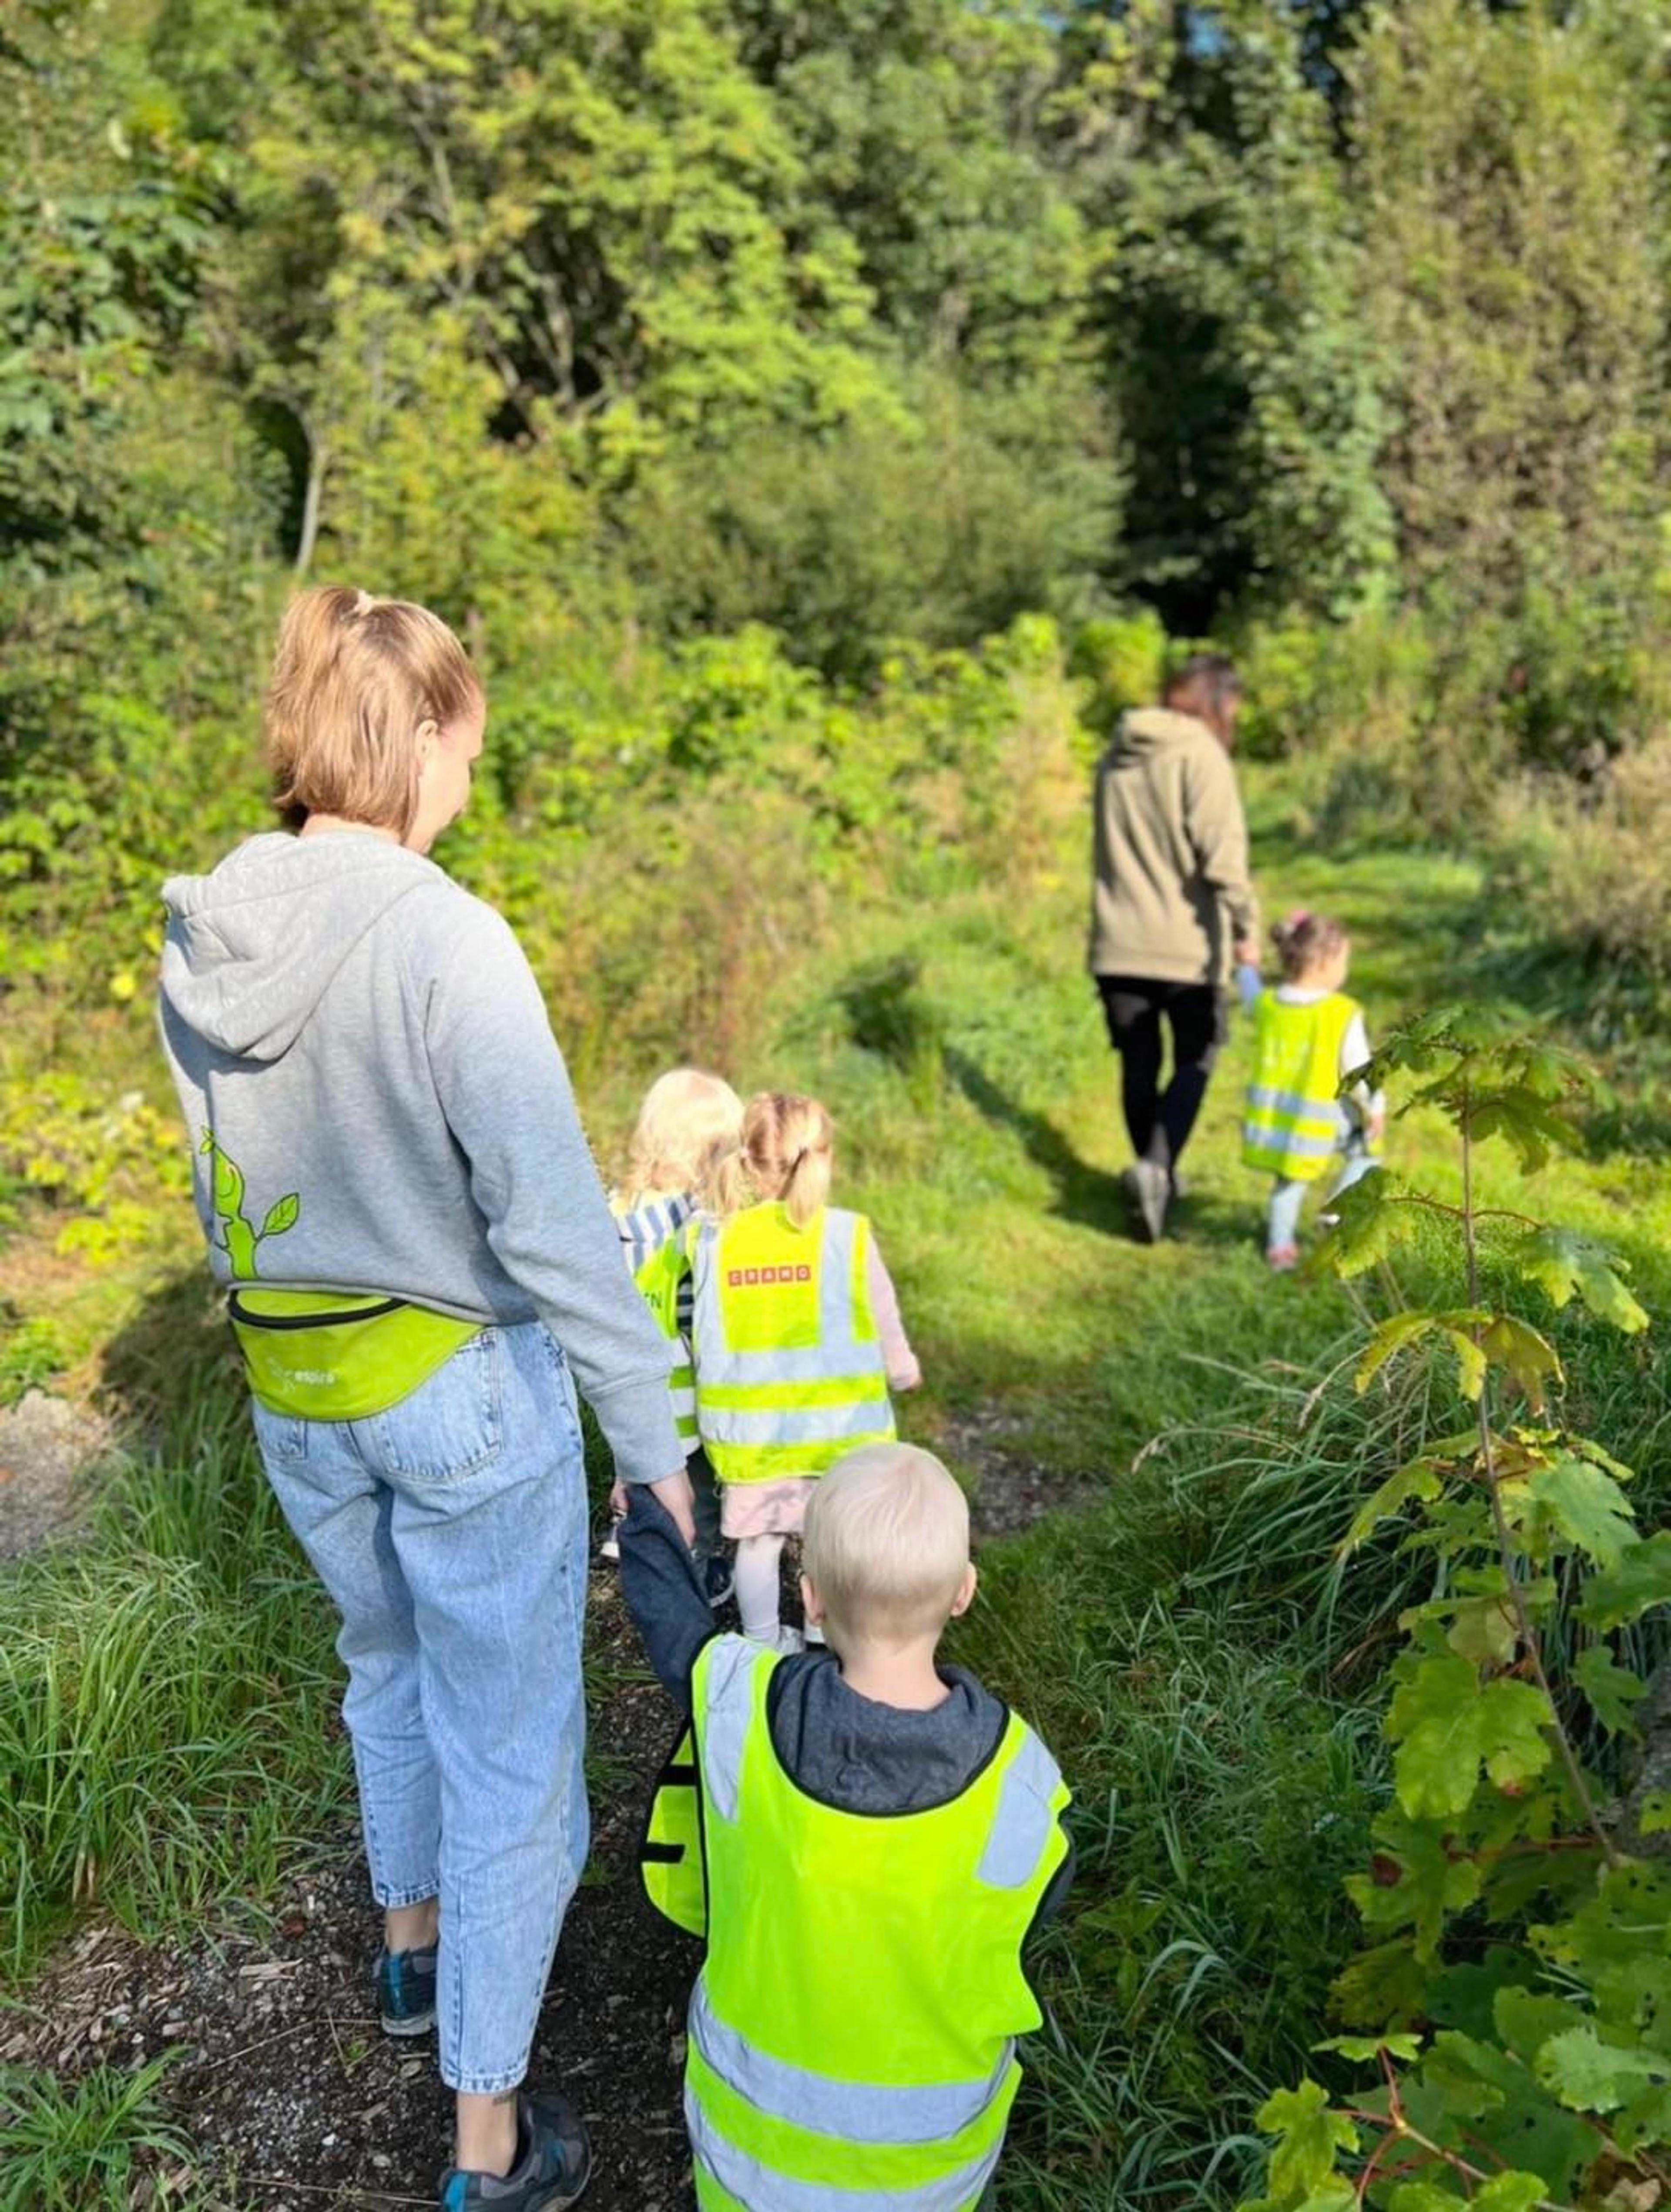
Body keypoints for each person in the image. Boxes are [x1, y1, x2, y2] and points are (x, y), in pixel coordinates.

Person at [158, 585, 695, 2212]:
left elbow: (217, 1190)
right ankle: (488, 2144)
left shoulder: (205, 932)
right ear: (423, 732)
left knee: (382, 1666)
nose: (474, 767)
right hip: (454, 1395)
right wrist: (656, 1452)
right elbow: (550, 1227)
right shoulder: (443, 935)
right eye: (467, 734)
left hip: (293, 1387)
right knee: (516, 1757)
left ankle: (409, 1957)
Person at [619, 1442, 1072, 2212]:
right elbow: (1031, 1919)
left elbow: (673, 1623)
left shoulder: (740, 1711)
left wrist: (648, 1515)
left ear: (812, 1596)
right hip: (932, 2170)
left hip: (751, 2163)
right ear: (964, 1592)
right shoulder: (1022, 1783)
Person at [686, 1090, 919, 1651]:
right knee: (827, 1543)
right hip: (838, 1436)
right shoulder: (846, 1235)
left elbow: (692, 1324)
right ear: (825, 1157)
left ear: (749, 1161)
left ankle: (764, 1644)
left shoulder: (714, 1238)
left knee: (759, 1545)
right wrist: (902, 1368)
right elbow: (882, 1313)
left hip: (751, 1440)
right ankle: (822, 1634)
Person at [1088, 652, 1261, 1244]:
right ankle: (1157, 1168)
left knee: (1139, 1062)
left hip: (1117, 943)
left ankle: (1150, 1172)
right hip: (1186, 947)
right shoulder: (1201, 755)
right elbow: (1224, 856)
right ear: (1215, 701)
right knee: (1198, 1055)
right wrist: (1247, 927)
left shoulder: (1116, 752)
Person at [605, 1066, 746, 1606]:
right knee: (697, 1476)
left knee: (640, 1462)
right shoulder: (700, 1221)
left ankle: (633, 1532)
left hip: (626, 1379)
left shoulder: (616, 1210)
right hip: (688, 1382)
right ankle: (700, 1560)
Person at [1242, 909, 1385, 1270]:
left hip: (1283, 1122)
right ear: (1325, 960)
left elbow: (1249, 995)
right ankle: (1335, 1210)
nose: (1346, 970)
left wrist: (1245, 967)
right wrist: (1376, 1106)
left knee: (1288, 1184)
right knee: (1367, 1154)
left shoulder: (1269, 1005)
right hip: (1327, 1119)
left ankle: (1280, 1251)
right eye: (1345, 960)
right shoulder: (1341, 1011)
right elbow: (1359, 1068)